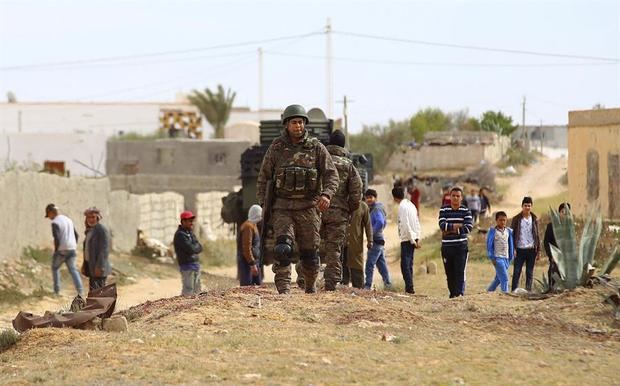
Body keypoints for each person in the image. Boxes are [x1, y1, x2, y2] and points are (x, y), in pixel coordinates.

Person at [256, 104, 339, 294]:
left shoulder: (316, 148)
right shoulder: (277, 148)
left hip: (309, 208)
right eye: (294, 122)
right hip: (282, 208)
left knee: (310, 255)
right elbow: (263, 178)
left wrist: (326, 195)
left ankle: (310, 286)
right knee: (282, 249)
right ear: (286, 124)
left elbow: (331, 175)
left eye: (301, 122)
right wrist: (264, 205)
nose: (298, 126)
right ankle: (284, 289)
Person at [319, 130, 362, 291]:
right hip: (339, 215)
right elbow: (357, 192)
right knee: (334, 251)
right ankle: (330, 285)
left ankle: (305, 281)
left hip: (318, 210)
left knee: (310, 246)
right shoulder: (348, 166)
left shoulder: (320, 161)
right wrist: (348, 209)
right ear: (343, 145)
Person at [438, 187, 473, 298]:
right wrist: (457, 226)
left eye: (458, 196)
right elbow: (442, 225)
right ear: (450, 196)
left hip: (460, 247)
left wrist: (449, 230)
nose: (455, 198)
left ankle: (459, 295)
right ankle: (452, 295)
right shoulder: (443, 210)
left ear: (461, 198)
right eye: (453, 195)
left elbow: (468, 228)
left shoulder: (466, 211)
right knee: (449, 273)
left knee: (460, 272)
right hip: (447, 247)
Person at [45, 203, 84, 296]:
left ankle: (57, 291)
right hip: (72, 248)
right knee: (73, 269)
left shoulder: (55, 222)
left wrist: (56, 251)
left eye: (48, 214)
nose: (49, 217)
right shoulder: (68, 220)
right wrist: (73, 245)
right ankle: (80, 291)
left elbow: (57, 238)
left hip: (62, 249)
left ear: (51, 212)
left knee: (55, 268)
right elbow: (76, 235)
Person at [393, 187, 422, 294]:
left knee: (405, 265)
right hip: (413, 237)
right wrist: (417, 237)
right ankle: (409, 287)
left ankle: (409, 288)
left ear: (394, 198)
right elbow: (417, 221)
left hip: (407, 239)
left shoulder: (402, 207)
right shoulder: (411, 205)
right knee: (409, 264)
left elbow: (406, 224)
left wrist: (412, 240)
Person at [363, 189, 392, 290]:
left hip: (376, 240)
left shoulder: (376, 209)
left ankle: (367, 286)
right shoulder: (377, 208)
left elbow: (380, 222)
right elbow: (384, 223)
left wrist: (371, 233)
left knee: (369, 264)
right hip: (379, 240)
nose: (369, 200)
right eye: (367, 198)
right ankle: (388, 285)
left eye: (371, 197)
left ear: (375, 198)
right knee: (381, 265)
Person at [510, 196, 541, 292]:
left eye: (529, 205)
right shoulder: (516, 219)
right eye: (525, 205)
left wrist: (539, 250)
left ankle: (528, 290)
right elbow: (512, 235)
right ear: (522, 206)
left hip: (531, 249)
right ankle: (514, 290)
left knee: (529, 272)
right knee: (517, 271)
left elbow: (537, 235)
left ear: (531, 206)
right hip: (519, 249)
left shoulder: (534, 219)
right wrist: (513, 248)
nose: (527, 207)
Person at [342, 200, 372, 289]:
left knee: (357, 265)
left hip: (355, 243)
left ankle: (359, 288)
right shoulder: (342, 203)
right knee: (342, 264)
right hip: (341, 242)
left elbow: (368, 224)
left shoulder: (363, 206)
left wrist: (370, 240)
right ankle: (343, 286)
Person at [173, 210, 203, 296]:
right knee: (188, 289)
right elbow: (191, 249)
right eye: (189, 221)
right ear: (183, 222)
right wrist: (195, 248)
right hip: (187, 266)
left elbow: (199, 247)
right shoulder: (180, 235)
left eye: (192, 221)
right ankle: (185, 307)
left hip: (195, 265)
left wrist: (195, 248)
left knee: (197, 289)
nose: (191, 223)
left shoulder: (190, 233)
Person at [82, 207, 112, 292]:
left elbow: (104, 250)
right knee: (93, 292)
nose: (91, 220)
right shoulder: (90, 230)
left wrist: (100, 266)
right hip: (91, 266)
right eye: (88, 217)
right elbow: (87, 249)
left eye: (93, 217)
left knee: (99, 292)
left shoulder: (101, 230)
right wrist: (84, 265)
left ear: (97, 218)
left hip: (98, 268)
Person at [543, 202, 570, 290]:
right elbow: (546, 242)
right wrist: (551, 256)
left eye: (567, 212)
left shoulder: (569, 227)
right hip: (555, 256)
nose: (565, 214)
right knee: (553, 272)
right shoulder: (551, 226)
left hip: (566, 256)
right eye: (563, 212)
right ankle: (552, 290)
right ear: (559, 212)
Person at [486, 211, 515, 293]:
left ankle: (489, 291)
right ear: (496, 220)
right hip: (498, 258)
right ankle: (505, 293)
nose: (502, 222)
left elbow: (511, 243)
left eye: (504, 220)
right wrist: (492, 257)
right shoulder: (493, 231)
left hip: (506, 258)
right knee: (505, 278)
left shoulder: (508, 231)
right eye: (500, 220)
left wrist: (511, 256)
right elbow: (489, 246)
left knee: (498, 278)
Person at [238, 205, 263, 286]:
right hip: (247, 263)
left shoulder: (253, 225)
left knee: (257, 287)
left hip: (253, 261)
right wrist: (252, 264)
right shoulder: (248, 227)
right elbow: (246, 247)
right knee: (247, 288)